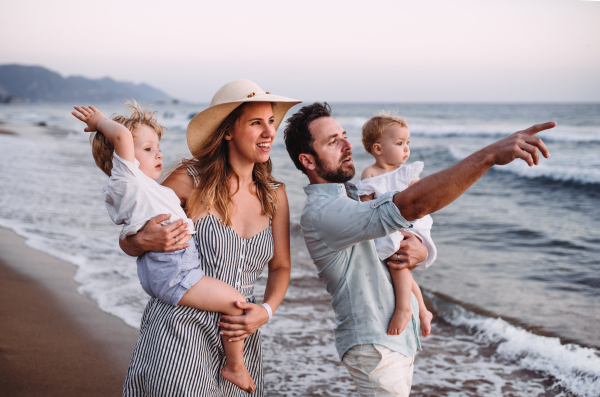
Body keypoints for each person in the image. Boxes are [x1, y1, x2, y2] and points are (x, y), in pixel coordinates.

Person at [283, 102, 553, 396]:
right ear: (308, 161)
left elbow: (398, 235)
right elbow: (408, 207)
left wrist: (420, 247)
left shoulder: (348, 195)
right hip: (376, 346)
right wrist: (488, 156)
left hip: (395, 341)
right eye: (333, 141)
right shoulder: (324, 211)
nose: (348, 145)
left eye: (344, 135)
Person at [118, 79, 300, 396]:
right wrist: (145, 241)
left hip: (239, 337)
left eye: (271, 122)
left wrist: (266, 311)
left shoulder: (276, 196)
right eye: (256, 123)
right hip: (180, 330)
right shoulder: (188, 182)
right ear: (228, 130)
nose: (269, 132)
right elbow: (131, 240)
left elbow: (281, 266)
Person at [72, 103, 261, 392]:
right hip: (175, 270)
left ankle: (234, 364)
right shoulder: (128, 180)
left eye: (157, 147)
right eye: (147, 149)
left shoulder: (145, 190)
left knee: (233, 302)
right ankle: (235, 366)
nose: (158, 154)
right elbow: (121, 137)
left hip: (166, 270)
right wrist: (99, 121)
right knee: (236, 302)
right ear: (121, 158)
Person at [357, 113, 435, 337]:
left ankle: (404, 309)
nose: (406, 148)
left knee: (396, 261)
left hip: (411, 225)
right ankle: (423, 311)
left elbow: (421, 200)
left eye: (407, 143)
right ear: (378, 149)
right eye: (400, 143)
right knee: (401, 269)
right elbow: (365, 208)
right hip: (386, 224)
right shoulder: (370, 173)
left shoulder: (407, 172)